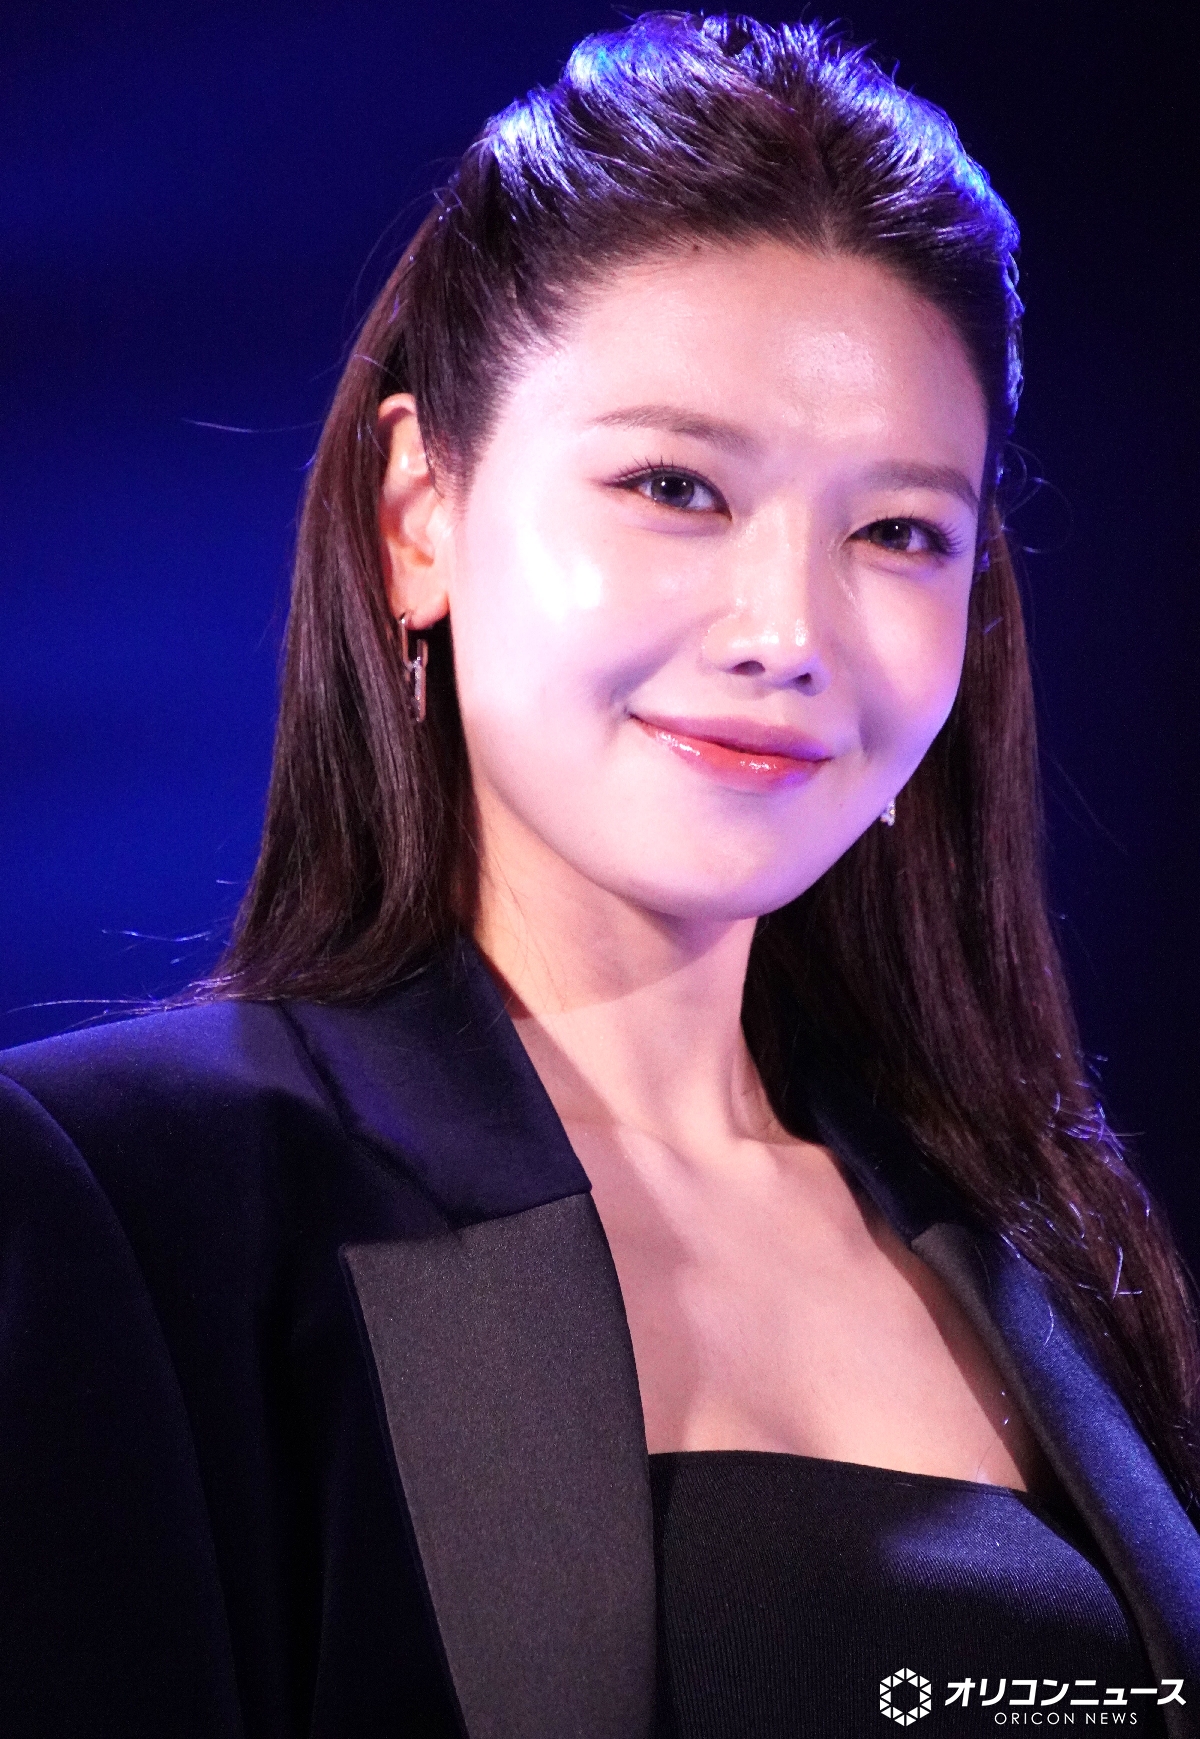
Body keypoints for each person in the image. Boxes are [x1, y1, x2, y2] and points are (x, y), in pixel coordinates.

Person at [1, 11, 1197, 1737]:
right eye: (675, 486)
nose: (789, 631)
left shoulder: (1044, 1245)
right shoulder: (129, 1202)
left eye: (898, 531)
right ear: (420, 517)